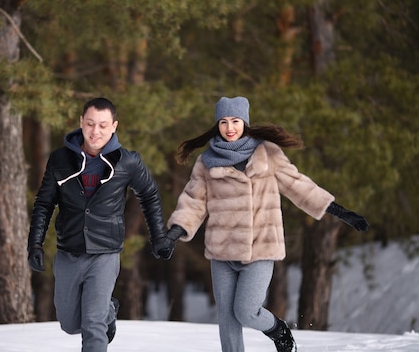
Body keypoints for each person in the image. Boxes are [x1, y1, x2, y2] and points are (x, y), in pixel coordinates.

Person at [163, 96, 369, 352]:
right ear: (217, 124)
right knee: (227, 321)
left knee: (246, 311)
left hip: (260, 249)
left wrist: (339, 211)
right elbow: (194, 201)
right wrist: (174, 233)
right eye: (224, 122)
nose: (230, 128)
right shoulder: (206, 161)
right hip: (222, 251)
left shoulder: (267, 153)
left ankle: (278, 330)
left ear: (245, 122)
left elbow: (299, 185)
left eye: (236, 121)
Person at [27, 97, 174, 352]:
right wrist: (35, 244)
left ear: (114, 126)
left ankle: (101, 312)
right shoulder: (60, 160)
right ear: (81, 122)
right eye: (91, 124)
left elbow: (149, 194)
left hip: (105, 254)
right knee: (70, 324)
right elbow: (44, 203)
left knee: (93, 326)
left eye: (103, 125)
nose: (96, 131)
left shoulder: (127, 162)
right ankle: (109, 309)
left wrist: (159, 236)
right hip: (68, 252)